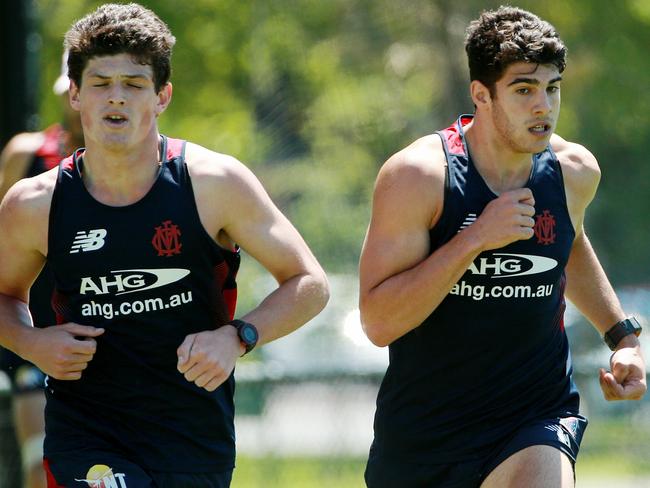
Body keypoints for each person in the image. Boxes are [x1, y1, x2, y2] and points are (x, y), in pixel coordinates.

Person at [0, 3, 329, 487]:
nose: (117, 99)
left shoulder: (214, 183)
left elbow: (310, 283)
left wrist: (238, 337)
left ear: (162, 96)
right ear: (74, 94)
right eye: (100, 83)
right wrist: (30, 342)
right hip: (86, 434)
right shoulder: (34, 202)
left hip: (193, 437)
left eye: (133, 84)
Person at [359, 6, 646, 488]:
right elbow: (380, 322)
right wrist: (474, 239)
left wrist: (624, 339)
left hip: (535, 412)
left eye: (552, 88)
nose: (543, 106)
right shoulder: (418, 177)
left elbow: (568, 245)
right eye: (523, 90)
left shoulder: (574, 172)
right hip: (426, 433)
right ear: (481, 95)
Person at [0, 50, 83, 488]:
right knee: (39, 462)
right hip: (33, 338)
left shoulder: (134, 171)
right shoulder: (27, 153)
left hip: (97, 339)